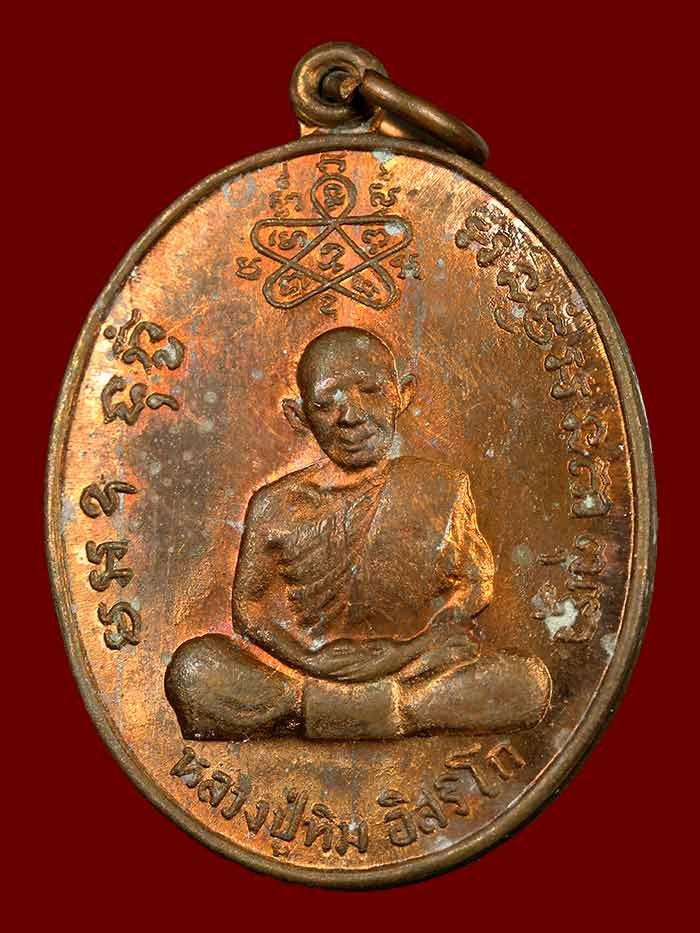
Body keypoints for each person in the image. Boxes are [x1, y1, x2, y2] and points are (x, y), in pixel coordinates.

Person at [165, 327, 551, 740]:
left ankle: (327, 708)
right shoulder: (275, 504)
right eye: (325, 404)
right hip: (303, 671)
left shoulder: (441, 486)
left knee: (526, 683)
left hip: (416, 667)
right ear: (299, 415)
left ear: (402, 393)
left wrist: (416, 648)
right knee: (194, 669)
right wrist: (309, 658)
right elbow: (250, 609)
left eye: (370, 391)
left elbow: (475, 583)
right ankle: (386, 708)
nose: (350, 416)